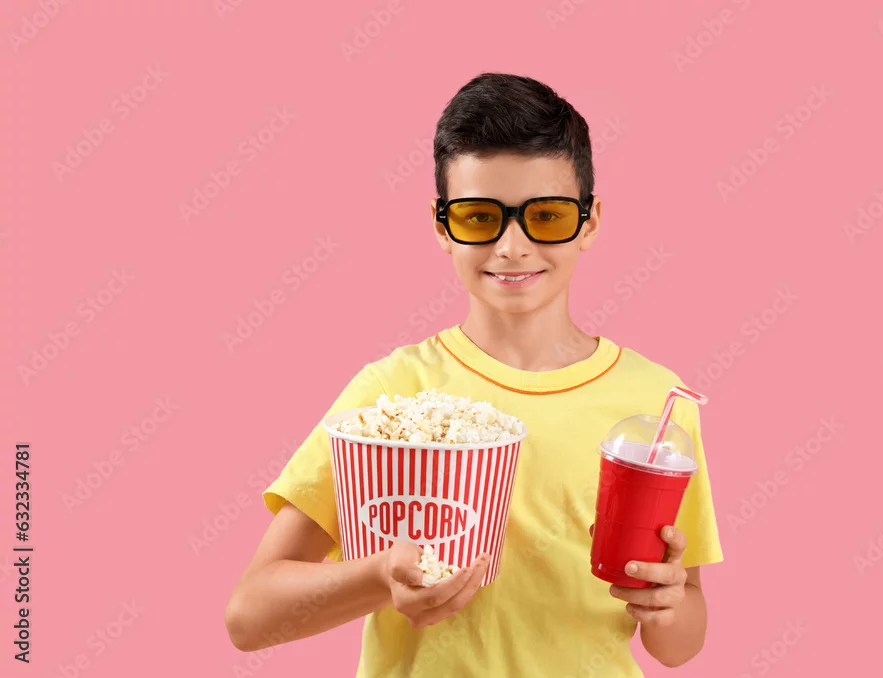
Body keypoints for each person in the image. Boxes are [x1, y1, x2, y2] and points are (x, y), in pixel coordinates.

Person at [224, 72, 723, 677]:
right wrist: (380, 577)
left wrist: (667, 604)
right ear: (443, 226)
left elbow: (679, 644)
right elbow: (250, 616)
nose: (512, 246)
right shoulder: (392, 397)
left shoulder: (656, 404)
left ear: (589, 221)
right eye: (480, 217)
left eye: (546, 215)